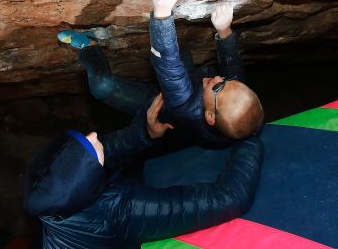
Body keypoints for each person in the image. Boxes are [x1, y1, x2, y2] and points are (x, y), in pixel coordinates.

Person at [23, 94, 263, 248]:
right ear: (88, 176)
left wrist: (146, 133)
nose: (93, 134)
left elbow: (109, 148)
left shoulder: (48, 196)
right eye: (88, 148)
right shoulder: (115, 210)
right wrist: (248, 135)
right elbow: (230, 198)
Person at [57, 0, 263, 148]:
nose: (220, 77)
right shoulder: (230, 113)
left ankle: (90, 46)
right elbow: (233, 68)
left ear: (209, 116)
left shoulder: (186, 103)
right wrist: (224, 31)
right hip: (183, 84)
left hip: (156, 103)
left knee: (102, 86)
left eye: (219, 86)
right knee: (183, 56)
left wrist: (163, 14)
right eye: (230, 81)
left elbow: (169, 67)